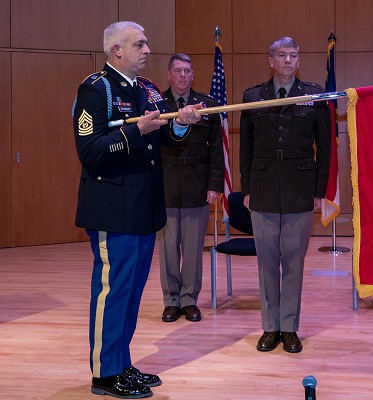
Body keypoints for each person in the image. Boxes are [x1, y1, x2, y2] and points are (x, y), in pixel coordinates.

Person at [72, 21, 205, 398]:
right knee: (112, 291)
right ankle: (104, 374)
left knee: (130, 293)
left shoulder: (146, 89)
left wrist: (181, 124)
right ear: (117, 50)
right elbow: (90, 152)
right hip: (112, 209)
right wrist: (136, 131)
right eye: (140, 44)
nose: (148, 50)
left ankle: (121, 364)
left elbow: (167, 138)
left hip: (144, 208)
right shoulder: (95, 89)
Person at [239, 37, 331, 353]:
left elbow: (326, 149)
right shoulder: (253, 96)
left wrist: (319, 192)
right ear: (271, 60)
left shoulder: (314, 96)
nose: (288, 60)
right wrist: (247, 189)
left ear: (298, 60)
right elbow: (245, 149)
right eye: (282, 55)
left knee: (293, 263)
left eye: (294, 55)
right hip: (263, 190)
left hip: (299, 190)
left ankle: (289, 328)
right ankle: (270, 327)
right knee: (266, 263)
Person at [158, 53, 224, 323]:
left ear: (193, 74)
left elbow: (217, 149)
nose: (183, 75)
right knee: (168, 248)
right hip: (166, 182)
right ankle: (171, 300)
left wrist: (215, 185)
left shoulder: (207, 104)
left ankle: (189, 300)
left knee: (194, 248)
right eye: (178, 71)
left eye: (187, 71)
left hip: (198, 182)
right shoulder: (156, 104)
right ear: (169, 74)